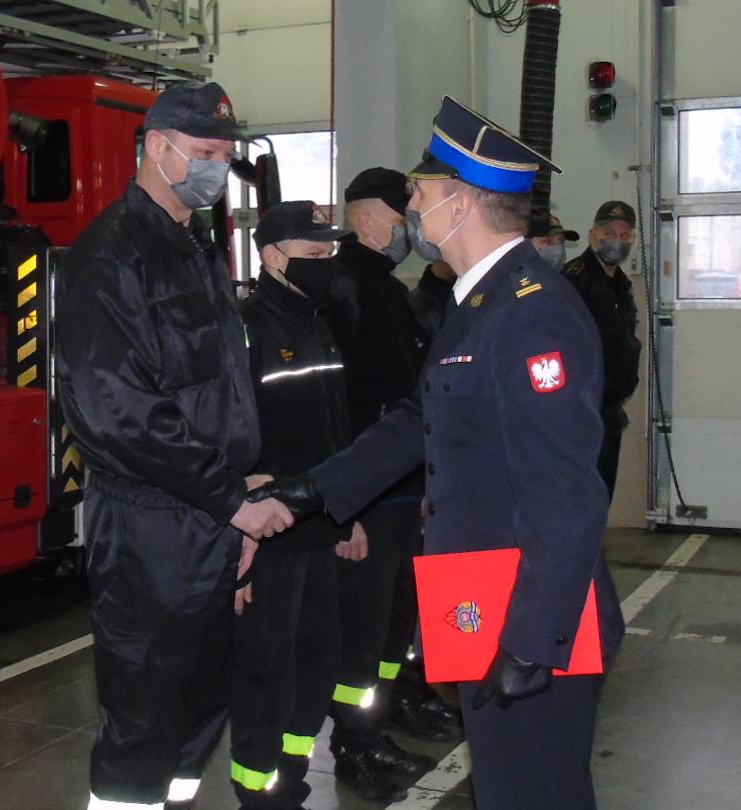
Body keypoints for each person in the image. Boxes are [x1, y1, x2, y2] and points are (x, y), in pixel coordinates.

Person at [251, 97, 624, 810]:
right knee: (508, 790)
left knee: (536, 794)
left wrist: (531, 640)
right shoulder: (479, 302)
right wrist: (315, 490)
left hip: (531, 612)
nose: (413, 209)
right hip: (483, 594)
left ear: (463, 202)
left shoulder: (534, 312)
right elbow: (421, 416)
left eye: (421, 193)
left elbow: (567, 494)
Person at [54, 81, 294, 810]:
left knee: (199, 705)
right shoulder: (110, 255)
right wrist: (230, 500)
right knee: (145, 711)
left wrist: (238, 498)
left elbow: (221, 387)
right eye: (205, 152)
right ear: (157, 147)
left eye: (225, 155)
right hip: (149, 527)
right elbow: (115, 407)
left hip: (210, 516)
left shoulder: (196, 247)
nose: (218, 168)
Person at [319, 168, 450, 802]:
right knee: (363, 632)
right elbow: (337, 408)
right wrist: (345, 507)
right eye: (401, 220)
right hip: (367, 494)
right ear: (368, 220)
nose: (408, 231)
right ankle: (353, 744)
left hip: (401, 490)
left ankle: (386, 712)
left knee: (397, 619)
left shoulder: (389, 291)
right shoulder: (340, 289)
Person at [230, 201, 355, 810]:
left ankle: (293, 781)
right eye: (313, 254)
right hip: (269, 531)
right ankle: (258, 793)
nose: (325, 263)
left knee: (316, 663)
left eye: (328, 253)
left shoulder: (318, 323)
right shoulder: (246, 328)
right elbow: (226, 433)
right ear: (273, 256)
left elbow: (337, 430)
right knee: (266, 670)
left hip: (319, 525)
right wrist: (238, 530)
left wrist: (349, 511)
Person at [561, 201, 644, 501]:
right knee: (579, 499)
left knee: (600, 497)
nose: (617, 242)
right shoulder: (575, 280)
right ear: (592, 235)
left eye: (625, 236)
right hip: (580, 412)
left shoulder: (620, 284)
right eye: (609, 233)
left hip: (608, 410)